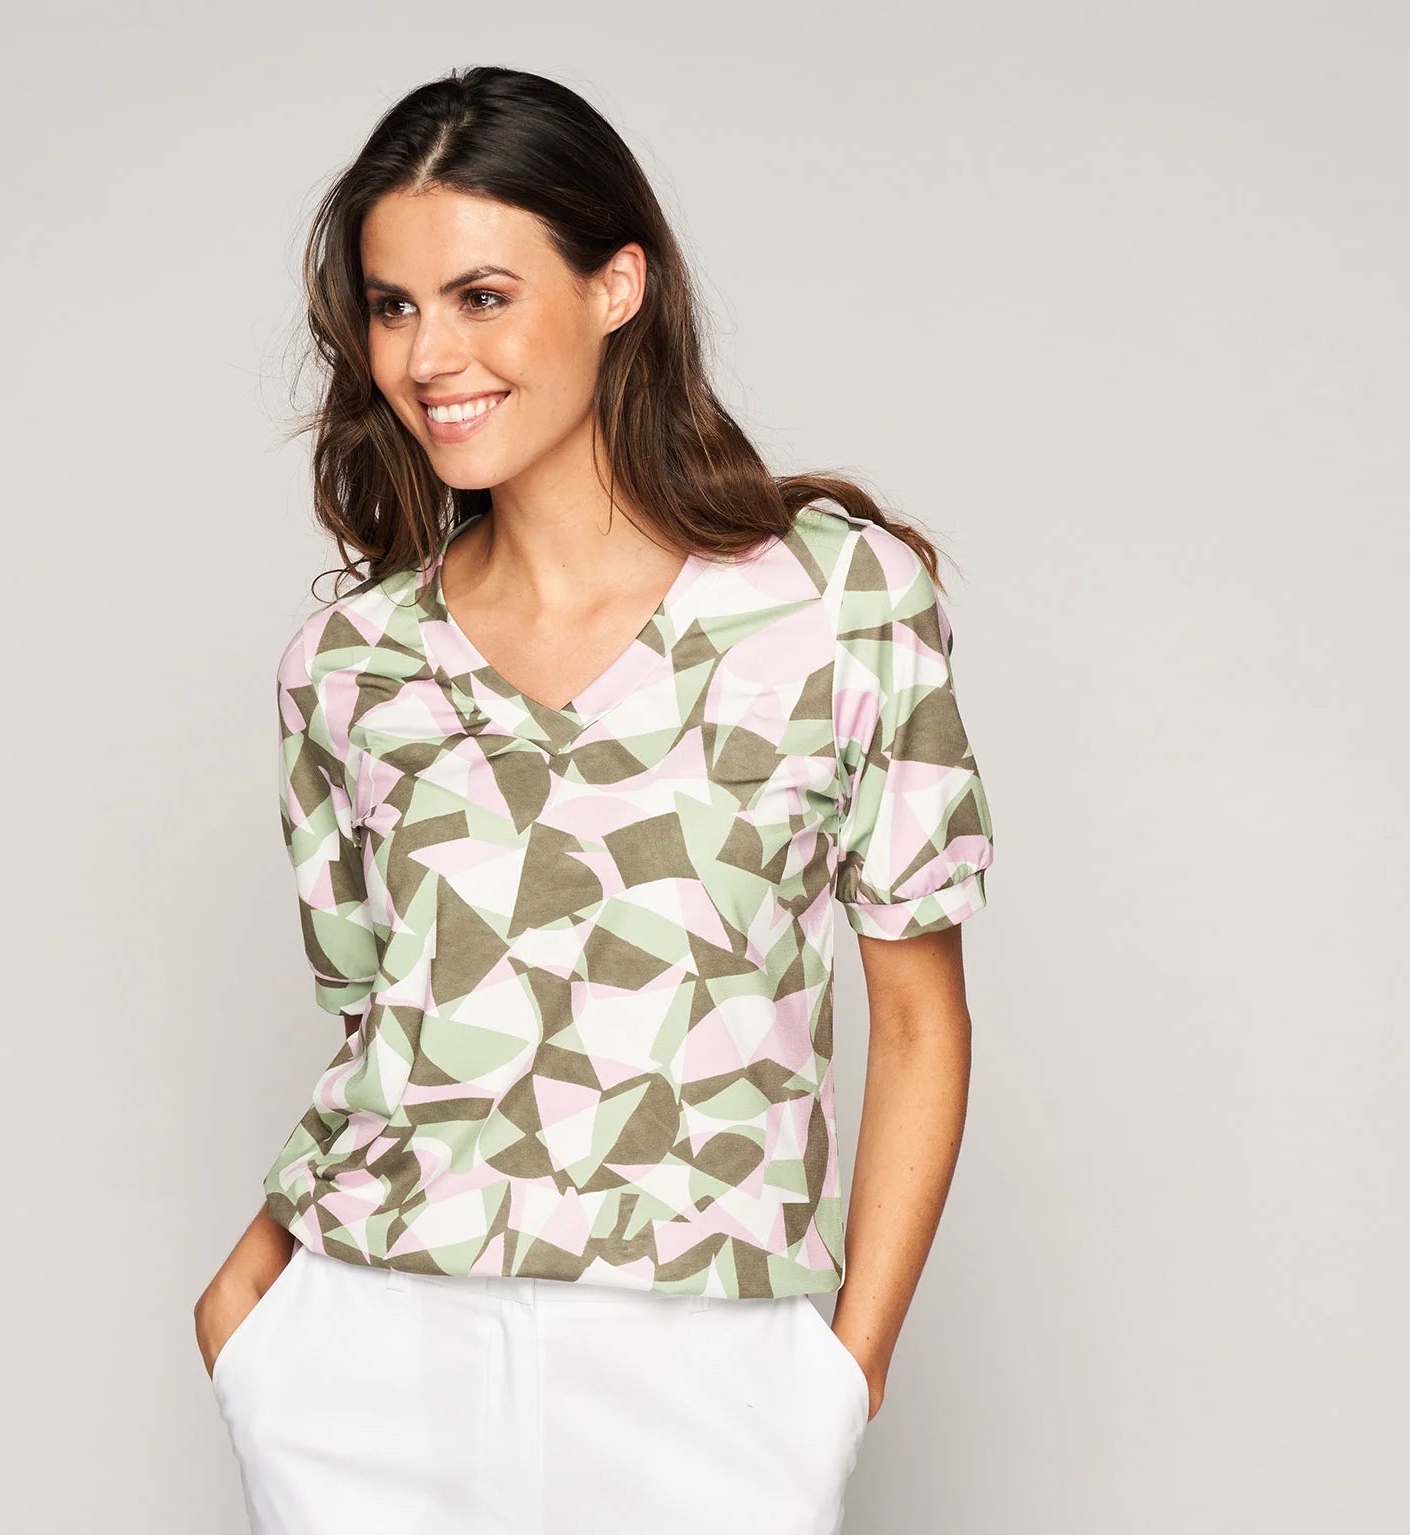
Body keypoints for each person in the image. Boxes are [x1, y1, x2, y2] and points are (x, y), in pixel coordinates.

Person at [193, 64, 995, 1535]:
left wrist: (845, 1371)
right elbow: (385, 1031)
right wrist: (252, 1311)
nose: (429, 354)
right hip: (368, 1350)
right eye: (392, 306)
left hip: (709, 1370)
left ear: (618, 284)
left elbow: (918, 1020)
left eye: (482, 296)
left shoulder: (838, 602)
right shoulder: (352, 666)